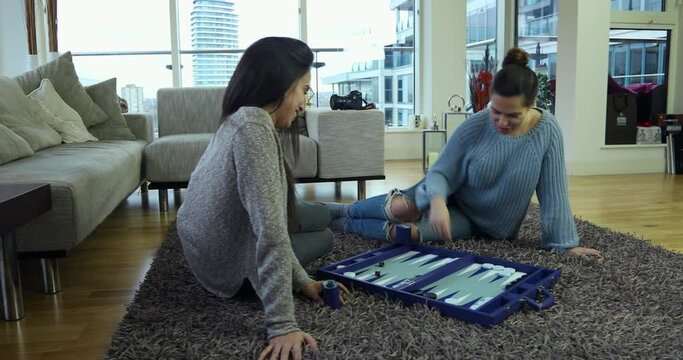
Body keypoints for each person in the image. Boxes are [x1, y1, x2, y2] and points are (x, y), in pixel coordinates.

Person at [326, 47, 602, 259]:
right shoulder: (477, 124)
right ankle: (342, 210)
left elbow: (553, 192)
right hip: (446, 196)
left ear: (532, 106)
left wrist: (564, 244)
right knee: (400, 209)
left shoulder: (548, 130)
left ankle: (344, 224)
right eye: (495, 111)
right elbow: (441, 171)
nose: (501, 122)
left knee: (407, 234)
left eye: (512, 116)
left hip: (487, 224)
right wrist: (437, 202)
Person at [176, 37, 349, 360]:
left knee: (318, 217)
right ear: (281, 86)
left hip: (206, 249)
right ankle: (365, 213)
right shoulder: (253, 130)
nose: (303, 101)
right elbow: (270, 233)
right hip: (228, 267)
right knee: (323, 235)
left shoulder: (240, 117)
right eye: (303, 89)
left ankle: (350, 212)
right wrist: (284, 322)